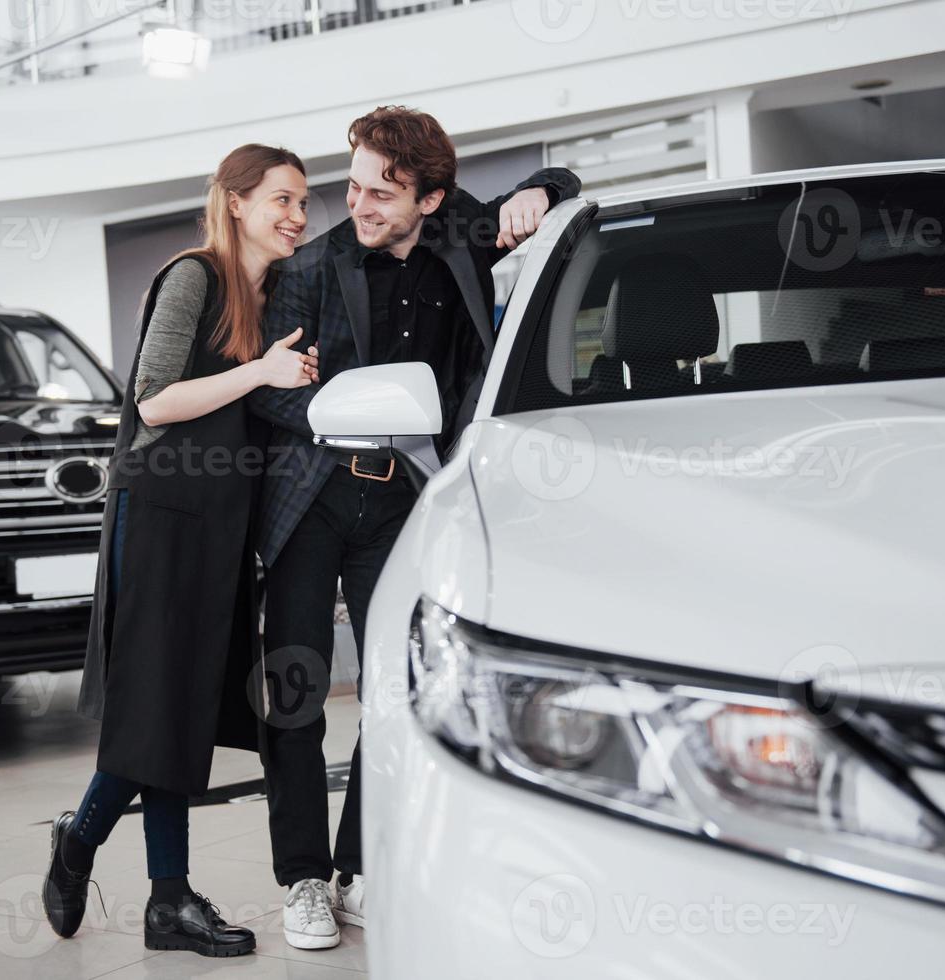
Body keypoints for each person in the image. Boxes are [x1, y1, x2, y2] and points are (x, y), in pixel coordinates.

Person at [249, 106, 581, 950]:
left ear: (430, 198)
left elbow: (567, 188)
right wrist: (332, 406)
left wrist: (541, 191)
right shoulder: (315, 268)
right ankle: (301, 879)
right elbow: (268, 388)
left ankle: (356, 867)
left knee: (392, 692)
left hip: (404, 502)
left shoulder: (465, 235)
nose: (357, 205)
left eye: (380, 194)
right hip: (310, 498)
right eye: (353, 186)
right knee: (295, 696)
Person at [42, 143, 319, 958]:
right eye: (282, 199)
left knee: (185, 708)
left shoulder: (270, 295)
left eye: (305, 202)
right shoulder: (192, 276)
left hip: (222, 527)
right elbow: (155, 399)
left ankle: (166, 902)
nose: (298, 216)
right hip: (160, 515)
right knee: (155, 705)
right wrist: (262, 371)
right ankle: (83, 837)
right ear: (235, 202)